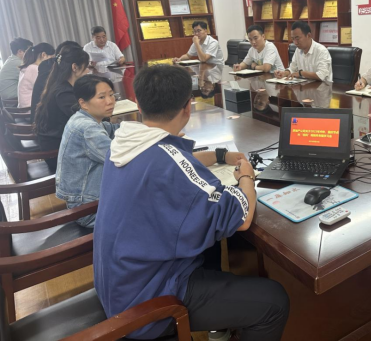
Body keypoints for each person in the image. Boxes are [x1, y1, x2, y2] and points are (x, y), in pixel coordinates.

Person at [94, 65, 289, 340]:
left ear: (138, 103)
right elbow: (242, 216)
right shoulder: (167, 161)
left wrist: (220, 155)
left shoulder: (124, 144)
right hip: (148, 302)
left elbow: (177, 160)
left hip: (120, 281)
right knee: (273, 302)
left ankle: (219, 328)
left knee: (210, 244)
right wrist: (246, 175)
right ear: (188, 107)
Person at [56, 75, 119, 228]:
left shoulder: (85, 118)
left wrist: (144, 127)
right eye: (102, 97)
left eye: (111, 95)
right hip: (89, 210)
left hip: (88, 200)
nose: (110, 101)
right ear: (83, 103)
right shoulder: (87, 128)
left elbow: (114, 129)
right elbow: (118, 158)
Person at [35, 45, 90, 171]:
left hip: (58, 144)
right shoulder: (63, 92)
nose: (87, 71)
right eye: (86, 67)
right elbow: (86, 119)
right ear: (74, 67)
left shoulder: (60, 85)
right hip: (58, 154)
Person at [30, 41, 80, 123]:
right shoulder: (59, 82)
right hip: (46, 125)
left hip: (45, 122)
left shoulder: (49, 66)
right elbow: (77, 113)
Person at [17, 43, 55, 108]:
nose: (52, 63)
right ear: (44, 55)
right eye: (51, 58)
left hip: (25, 108)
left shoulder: (28, 67)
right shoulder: (34, 68)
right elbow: (46, 88)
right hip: (30, 109)